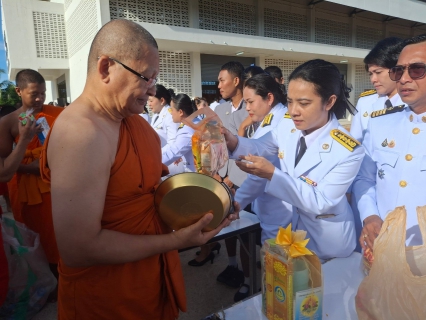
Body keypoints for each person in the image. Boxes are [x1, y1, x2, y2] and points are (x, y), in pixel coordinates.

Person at [40, 19, 238, 320]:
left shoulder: (133, 124)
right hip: (108, 297)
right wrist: (177, 241)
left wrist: (209, 198)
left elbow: (147, 187)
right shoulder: (81, 133)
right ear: (106, 67)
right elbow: (78, 247)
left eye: (154, 79)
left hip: (150, 275)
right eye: (146, 77)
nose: (152, 89)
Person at [224, 59, 365, 260]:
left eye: (304, 103)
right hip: (289, 232)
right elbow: (262, 146)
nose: (294, 110)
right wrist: (232, 142)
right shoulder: (288, 125)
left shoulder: (348, 150)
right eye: (290, 101)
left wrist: (272, 175)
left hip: (325, 243)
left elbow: (321, 201)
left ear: (329, 102)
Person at [353, 34, 426, 251]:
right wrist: (370, 216)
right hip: (383, 244)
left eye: (416, 69)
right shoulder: (380, 124)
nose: (403, 78)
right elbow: (364, 178)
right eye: (398, 71)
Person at [233, 73, 292, 301]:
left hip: (279, 211)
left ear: (269, 98)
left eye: (250, 101)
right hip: (271, 208)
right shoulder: (268, 120)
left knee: (279, 275)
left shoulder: (278, 121)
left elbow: (260, 173)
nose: (246, 107)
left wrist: (238, 201)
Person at [0, 69, 63, 274]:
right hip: (25, 188)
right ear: (19, 91)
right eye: (34, 93)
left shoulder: (58, 114)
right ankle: (42, 276)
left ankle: (61, 274)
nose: (39, 98)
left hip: (57, 184)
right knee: (34, 233)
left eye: (43, 93)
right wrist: (31, 168)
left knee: (59, 232)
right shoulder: (8, 122)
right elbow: (4, 166)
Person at [348, 37, 405, 252]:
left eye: (378, 72)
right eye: (370, 73)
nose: (373, 79)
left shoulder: (414, 111)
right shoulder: (368, 104)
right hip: (370, 196)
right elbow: (356, 147)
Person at [214, 61, 249, 289]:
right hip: (222, 176)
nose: (218, 85)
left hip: (243, 179)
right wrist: (217, 173)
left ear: (236, 81)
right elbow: (216, 143)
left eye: (222, 80)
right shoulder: (220, 109)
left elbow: (249, 147)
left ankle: (247, 279)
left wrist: (232, 179)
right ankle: (232, 264)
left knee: (244, 229)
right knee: (225, 223)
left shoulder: (252, 108)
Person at [148, 84, 182, 176]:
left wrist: (156, 154)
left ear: (162, 100)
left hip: (170, 165)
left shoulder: (170, 115)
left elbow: (173, 142)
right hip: (159, 161)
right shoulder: (156, 115)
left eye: (151, 101)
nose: (149, 104)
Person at [162, 94, 197, 173]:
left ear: (180, 112)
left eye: (171, 110)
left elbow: (172, 153)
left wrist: (150, 164)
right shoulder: (196, 121)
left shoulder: (187, 130)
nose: (170, 113)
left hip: (195, 176)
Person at [238, 65, 265, 138]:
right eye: (247, 86)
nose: (247, 108)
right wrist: (242, 127)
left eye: (254, 86)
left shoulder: (276, 115)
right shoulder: (236, 117)